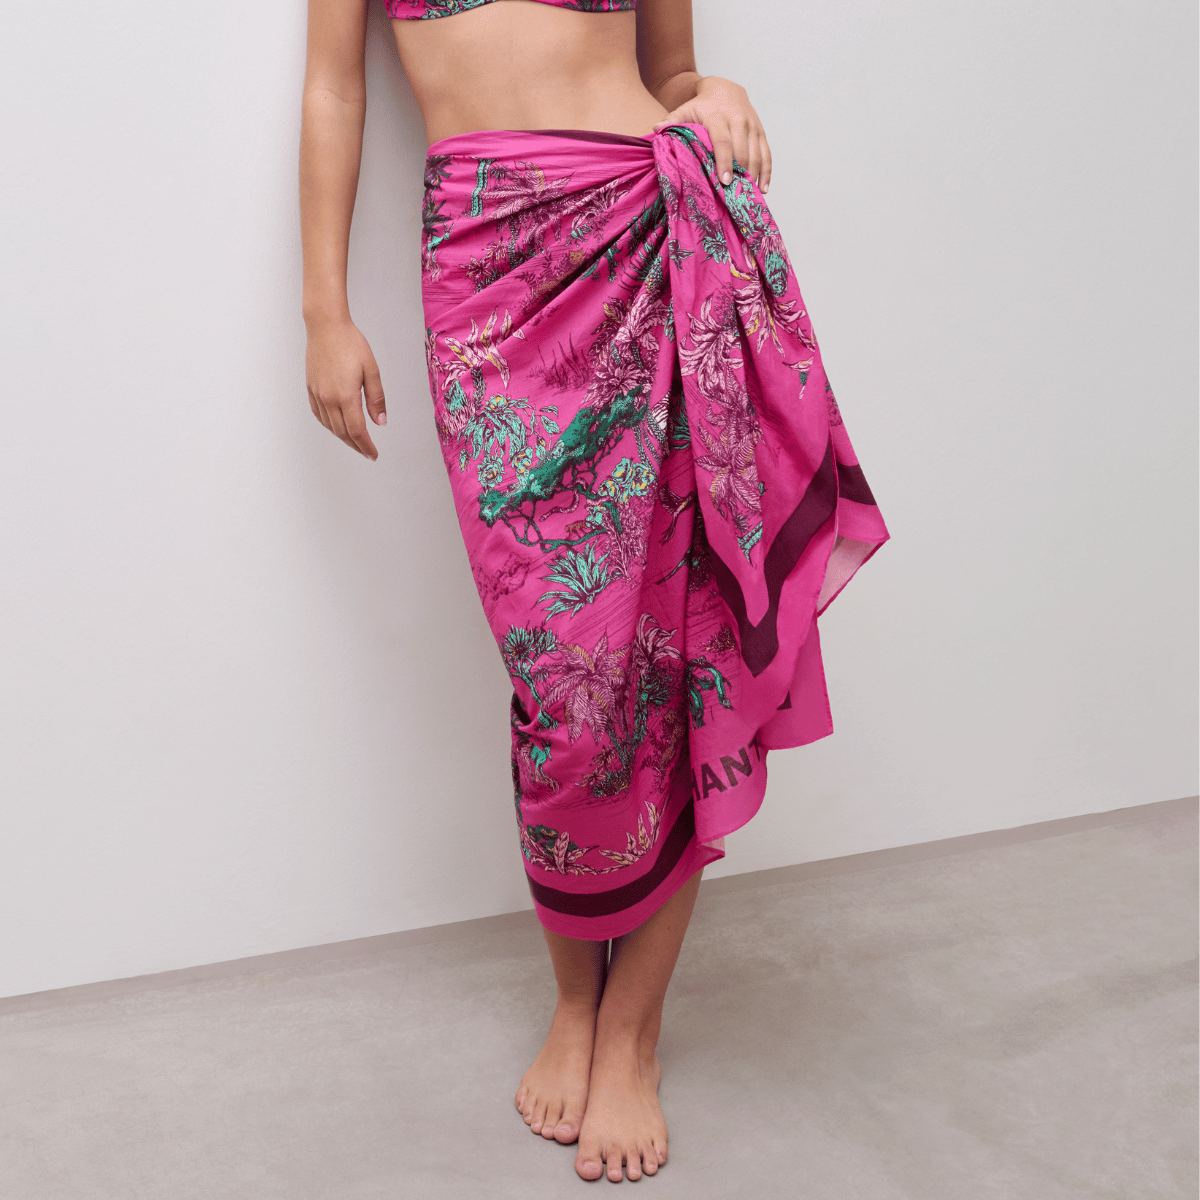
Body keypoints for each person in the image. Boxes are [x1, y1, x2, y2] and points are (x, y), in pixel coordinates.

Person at [300, 0, 888, 1183]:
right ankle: (575, 995)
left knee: (677, 652)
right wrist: (324, 311)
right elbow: (334, 88)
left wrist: (711, 96)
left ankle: (631, 1032)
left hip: (649, 239)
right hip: (490, 276)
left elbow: (670, 72)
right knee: (563, 675)